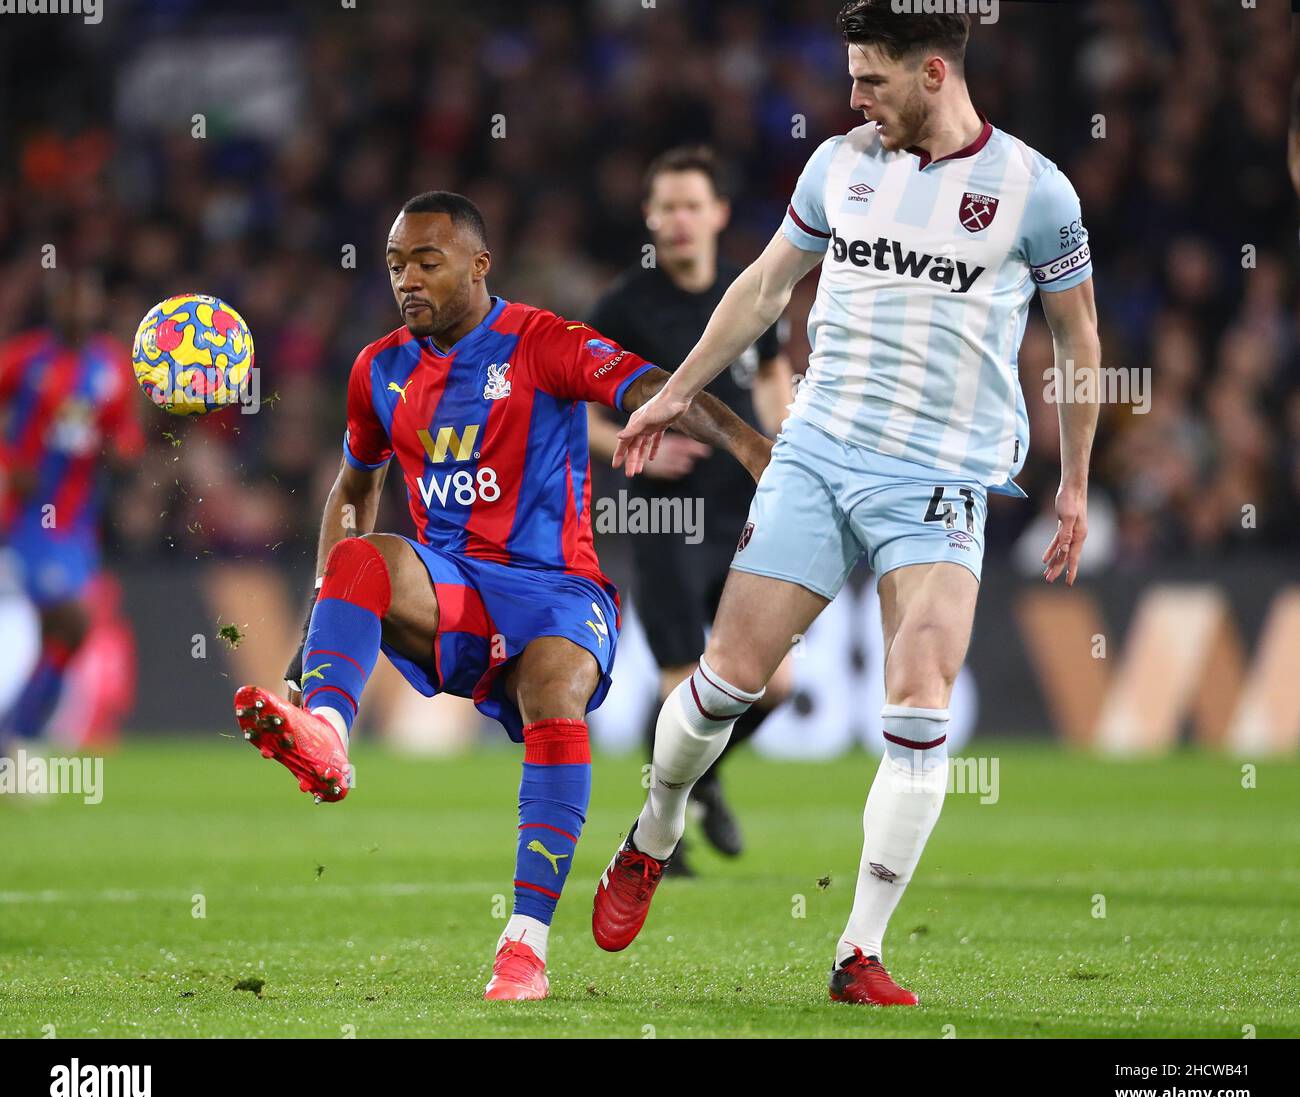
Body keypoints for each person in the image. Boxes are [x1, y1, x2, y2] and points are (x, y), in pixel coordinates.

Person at [591, 1, 1100, 1006]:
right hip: (819, 456)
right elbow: (763, 286)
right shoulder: (838, 165)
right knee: (727, 680)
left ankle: (857, 951)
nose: (853, 95)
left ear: (933, 75)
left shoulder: (1035, 191)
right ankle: (652, 832)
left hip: (942, 480)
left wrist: (1076, 479)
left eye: (871, 78)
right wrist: (678, 389)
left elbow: (1079, 343)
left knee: (920, 696)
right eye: (852, 75)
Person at [233, 191, 772, 1002]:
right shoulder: (379, 370)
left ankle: (524, 947)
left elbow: (658, 389)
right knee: (361, 554)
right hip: (456, 587)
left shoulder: (540, 341)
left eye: (426, 261)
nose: (406, 280)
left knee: (554, 695)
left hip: (560, 593)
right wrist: (314, 639)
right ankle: (329, 731)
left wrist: (752, 445)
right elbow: (354, 487)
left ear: (479, 266)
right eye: (393, 265)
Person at [587, 146, 795, 874]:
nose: (678, 221)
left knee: (778, 685)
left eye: (691, 206)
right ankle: (661, 837)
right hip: (663, 521)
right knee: (686, 687)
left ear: (718, 215)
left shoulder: (748, 295)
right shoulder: (623, 307)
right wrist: (630, 436)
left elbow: (771, 377)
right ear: (650, 217)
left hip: (745, 518)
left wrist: (789, 444)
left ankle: (696, 782)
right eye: (665, 207)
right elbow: (570, 407)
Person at [0, 268, 143, 745]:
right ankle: (16, 735)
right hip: (26, 518)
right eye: (69, 301)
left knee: (66, 637)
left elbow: (125, 433)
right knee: (72, 622)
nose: (77, 310)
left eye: (86, 301)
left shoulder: (110, 367)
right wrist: (8, 459)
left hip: (77, 525)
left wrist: (122, 449)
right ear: (56, 306)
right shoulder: (26, 358)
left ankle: (14, 738)